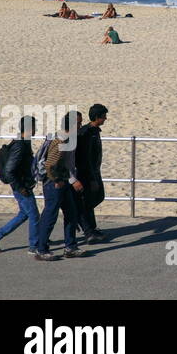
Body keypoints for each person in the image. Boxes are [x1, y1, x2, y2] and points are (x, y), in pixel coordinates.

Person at [0, 116, 54, 259]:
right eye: (34, 126)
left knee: (24, 214)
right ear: (29, 128)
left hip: (23, 185)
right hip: (21, 186)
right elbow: (9, 170)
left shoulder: (24, 143)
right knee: (34, 215)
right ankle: (34, 246)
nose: (36, 129)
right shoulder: (20, 145)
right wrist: (20, 187)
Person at [37, 110, 84, 258]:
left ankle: (70, 247)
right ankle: (41, 249)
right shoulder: (61, 140)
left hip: (64, 183)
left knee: (71, 214)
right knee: (50, 216)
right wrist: (58, 180)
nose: (81, 125)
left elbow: (67, 164)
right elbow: (51, 164)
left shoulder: (69, 138)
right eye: (79, 123)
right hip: (55, 184)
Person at [74, 105, 108, 243]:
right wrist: (92, 178)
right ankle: (88, 230)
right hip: (87, 173)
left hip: (94, 171)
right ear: (97, 117)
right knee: (88, 202)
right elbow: (85, 159)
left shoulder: (94, 131)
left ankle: (91, 228)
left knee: (97, 198)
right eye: (104, 116)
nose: (106, 118)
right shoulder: (87, 133)